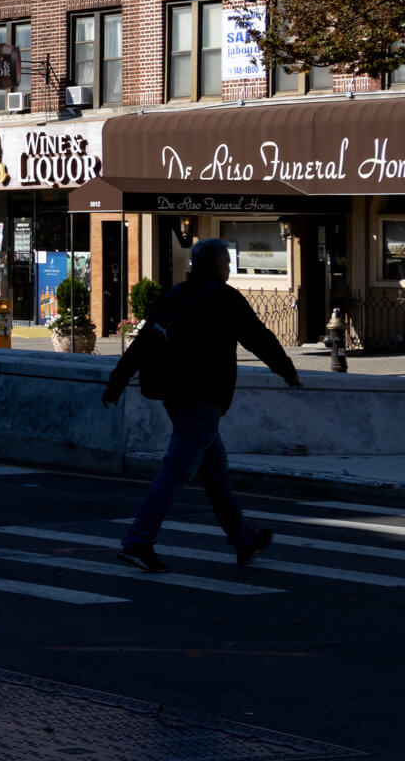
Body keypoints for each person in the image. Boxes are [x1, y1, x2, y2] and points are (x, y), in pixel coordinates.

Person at [103, 237, 302, 573]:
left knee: (215, 472)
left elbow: (142, 343)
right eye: (226, 262)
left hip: (174, 396)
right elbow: (259, 337)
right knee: (176, 470)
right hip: (204, 397)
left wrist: (117, 383)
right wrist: (287, 371)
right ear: (215, 264)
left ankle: (243, 540)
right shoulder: (225, 298)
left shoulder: (174, 296)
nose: (229, 268)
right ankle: (137, 542)